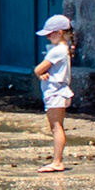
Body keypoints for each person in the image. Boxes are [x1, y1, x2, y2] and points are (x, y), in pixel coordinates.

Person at [33, 14, 75, 173]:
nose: (48, 37)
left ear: (60, 33)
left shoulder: (57, 51)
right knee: (57, 127)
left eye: (51, 34)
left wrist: (39, 73)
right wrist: (43, 73)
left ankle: (57, 162)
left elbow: (38, 68)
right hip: (59, 92)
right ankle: (57, 160)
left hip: (56, 93)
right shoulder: (64, 49)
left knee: (56, 128)